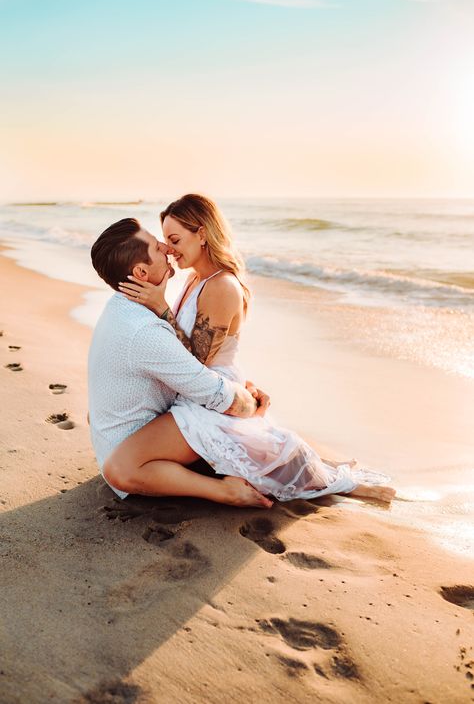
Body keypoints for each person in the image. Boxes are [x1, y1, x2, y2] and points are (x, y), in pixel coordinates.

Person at [107, 195, 396, 505]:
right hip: (201, 389)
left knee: (128, 466)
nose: (169, 249)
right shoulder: (195, 279)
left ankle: (330, 482)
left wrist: (161, 307)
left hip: (207, 396)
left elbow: (195, 362)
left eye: (175, 239)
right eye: (165, 240)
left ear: (202, 234)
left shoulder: (221, 287)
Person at [88, 217, 273, 509]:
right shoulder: (145, 330)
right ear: (140, 272)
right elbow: (212, 392)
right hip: (134, 459)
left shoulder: (120, 306)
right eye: (158, 245)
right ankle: (225, 491)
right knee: (229, 412)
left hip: (115, 438)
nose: (166, 248)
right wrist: (251, 406)